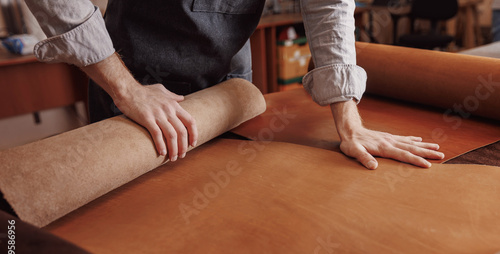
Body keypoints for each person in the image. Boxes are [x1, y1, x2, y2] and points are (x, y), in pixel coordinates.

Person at [25, 0, 444, 169]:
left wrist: (349, 122)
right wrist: (126, 89)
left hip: (229, 83)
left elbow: (327, 3)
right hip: (135, 77)